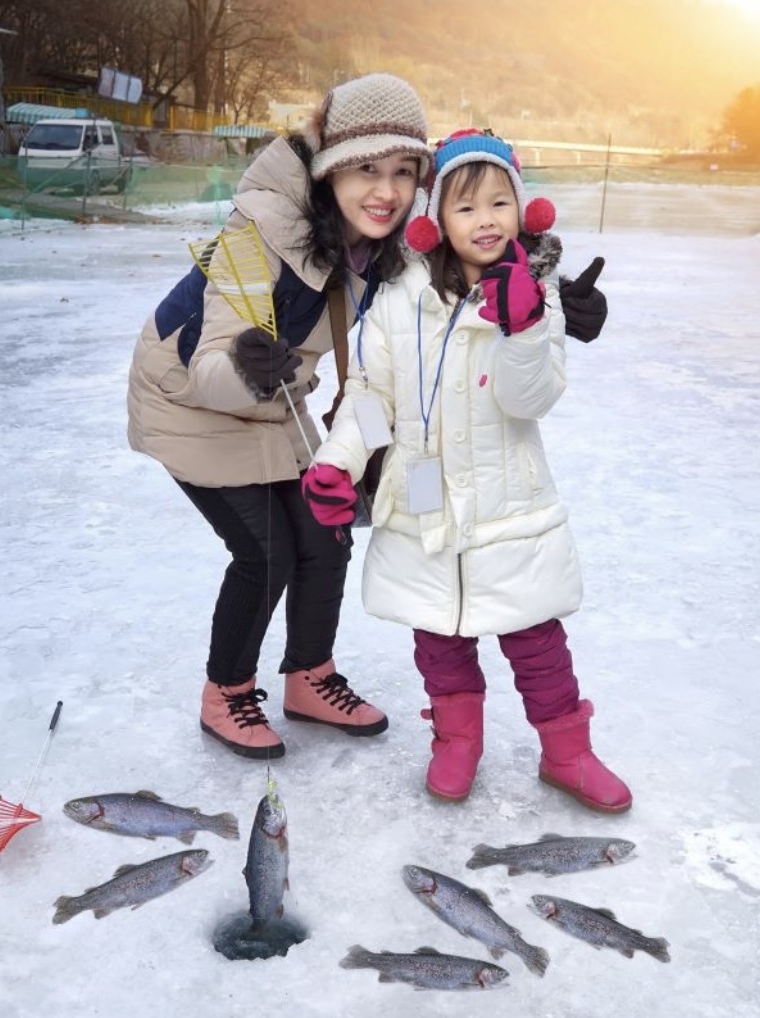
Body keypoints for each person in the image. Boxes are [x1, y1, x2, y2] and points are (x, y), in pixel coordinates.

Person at [127, 75, 611, 762]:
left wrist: (556, 300)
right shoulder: (253, 233)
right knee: (265, 552)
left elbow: (469, 251)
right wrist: (244, 370)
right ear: (330, 170)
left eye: (402, 172)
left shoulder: (384, 245)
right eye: (365, 169)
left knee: (323, 539)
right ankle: (225, 693)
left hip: (278, 400)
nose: (385, 190)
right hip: (191, 398)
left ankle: (309, 677)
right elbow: (208, 367)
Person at [300, 129, 632, 812]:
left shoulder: (536, 294)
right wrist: (339, 462)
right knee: (438, 637)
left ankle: (568, 752)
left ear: (523, 210)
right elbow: (370, 395)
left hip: (509, 503)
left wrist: (524, 328)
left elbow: (530, 399)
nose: (485, 221)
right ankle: (457, 740)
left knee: (537, 641)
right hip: (423, 496)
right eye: (466, 207)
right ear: (434, 220)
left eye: (499, 203)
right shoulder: (396, 295)